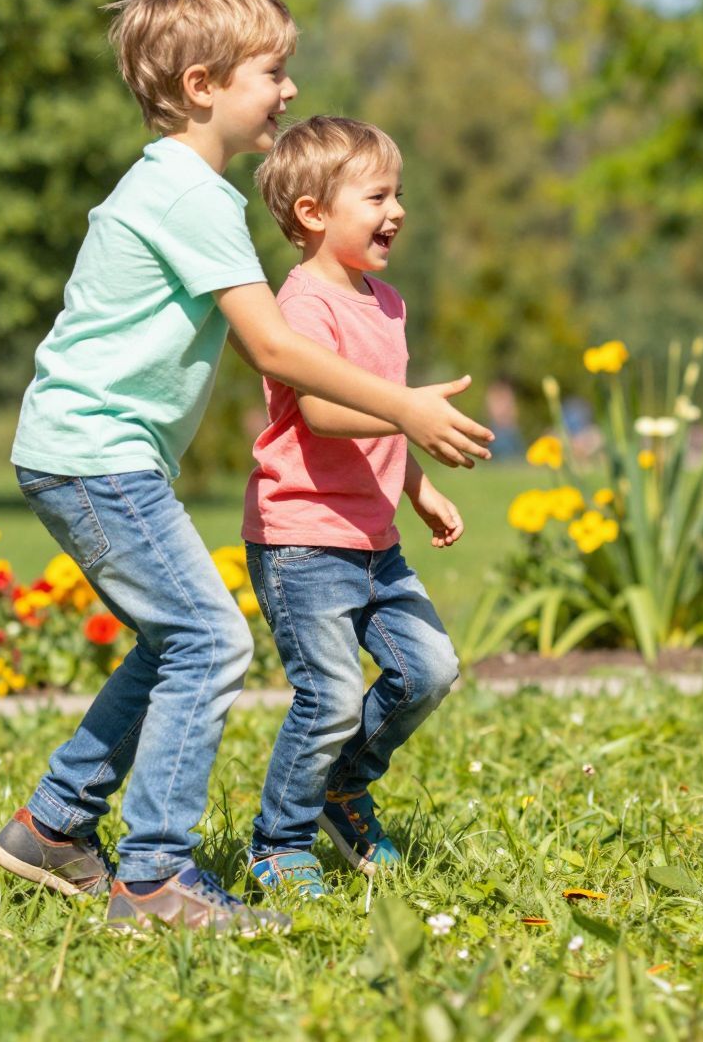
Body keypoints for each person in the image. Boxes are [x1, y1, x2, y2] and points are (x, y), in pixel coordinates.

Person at [0, 0, 491, 935]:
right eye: (273, 72)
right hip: (95, 454)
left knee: (176, 639)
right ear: (204, 85)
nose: (290, 90)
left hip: (90, 451)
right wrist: (405, 410)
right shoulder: (192, 198)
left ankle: (53, 826)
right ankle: (154, 881)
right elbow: (275, 350)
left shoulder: (177, 187)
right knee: (209, 641)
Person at [240, 117, 467, 900]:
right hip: (302, 540)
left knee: (430, 670)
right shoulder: (302, 306)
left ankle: (341, 786)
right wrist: (408, 410)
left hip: (375, 540)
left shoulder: (387, 303)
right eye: (376, 196)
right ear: (312, 213)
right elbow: (324, 412)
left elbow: (385, 426)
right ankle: (278, 842)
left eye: (398, 194)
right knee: (330, 698)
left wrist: (418, 488)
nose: (396, 210)